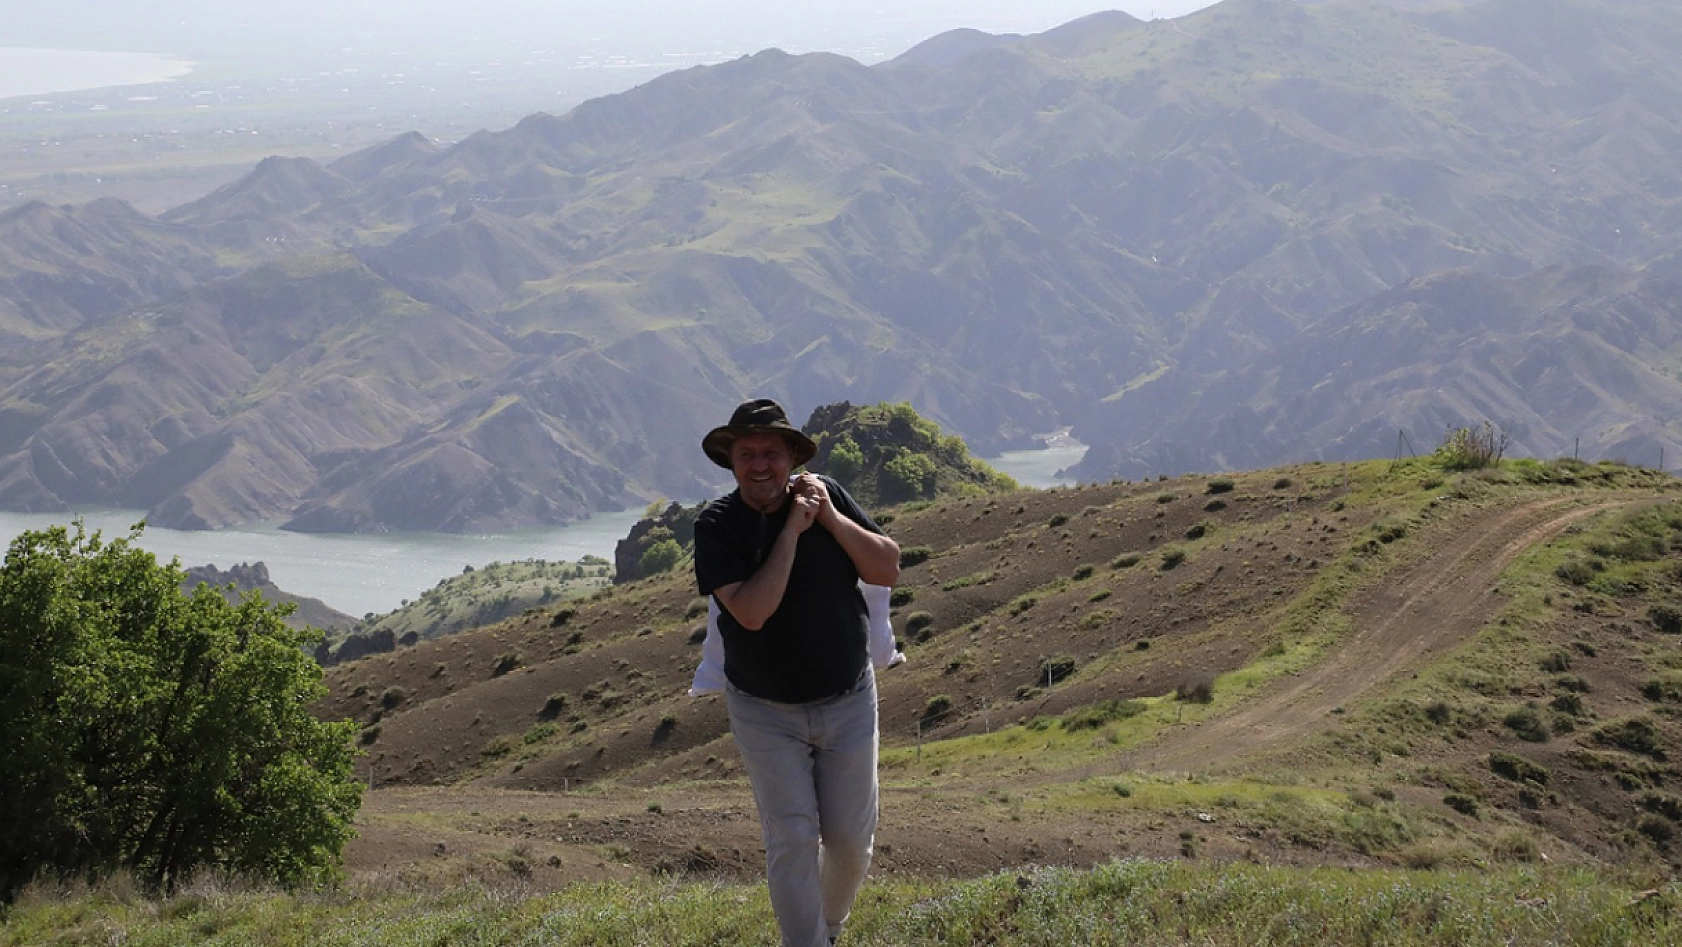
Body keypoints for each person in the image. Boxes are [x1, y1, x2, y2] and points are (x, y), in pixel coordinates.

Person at [692, 398, 900, 947]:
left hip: (849, 699)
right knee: (791, 839)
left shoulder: (826, 497)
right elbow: (754, 612)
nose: (759, 466)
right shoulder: (716, 526)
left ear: (791, 457)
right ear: (731, 462)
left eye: (770, 454)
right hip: (764, 711)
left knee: (852, 843)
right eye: (746, 455)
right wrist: (792, 531)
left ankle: (826, 928)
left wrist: (828, 518)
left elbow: (886, 567)